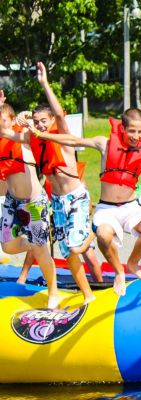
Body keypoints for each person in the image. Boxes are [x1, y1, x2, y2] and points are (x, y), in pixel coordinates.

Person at [28, 107, 141, 296]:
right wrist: (43, 135)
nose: (136, 136)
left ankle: (132, 263)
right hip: (107, 208)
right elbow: (73, 140)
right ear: (123, 128)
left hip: (131, 206)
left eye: (140, 131)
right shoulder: (105, 144)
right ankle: (119, 271)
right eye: (132, 131)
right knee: (103, 234)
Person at [14, 63, 96, 305]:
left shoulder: (61, 136)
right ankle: (88, 294)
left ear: (51, 122)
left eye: (44, 121)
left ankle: (98, 228)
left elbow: (59, 114)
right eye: (37, 122)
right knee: (68, 253)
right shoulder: (36, 140)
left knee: (77, 246)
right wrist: (23, 116)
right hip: (57, 202)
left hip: (76, 197)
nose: (40, 125)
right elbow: (14, 131)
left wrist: (44, 83)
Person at [0, 93, 60, 308]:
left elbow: (27, 117)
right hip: (12, 201)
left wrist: (24, 117)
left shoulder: (23, 134)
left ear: (12, 120)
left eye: (4, 121)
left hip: (33, 202)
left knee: (41, 249)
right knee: (7, 247)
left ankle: (53, 293)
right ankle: (33, 244)